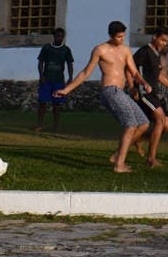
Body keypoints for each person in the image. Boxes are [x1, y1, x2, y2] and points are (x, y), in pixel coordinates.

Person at [56, 21, 154, 173]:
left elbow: (134, 72)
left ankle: (117, 155)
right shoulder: (100, 50)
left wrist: (144, 83)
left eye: (123, 36)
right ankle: (119, 165)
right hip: (110, 90)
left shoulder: (126, 50)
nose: (121, 40)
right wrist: (67, 90)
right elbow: (85, 73)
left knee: (143, 123)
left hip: (120, 92)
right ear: (111, 35)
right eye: (118, 37)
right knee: (131, 124)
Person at [128, 30, 168, 167]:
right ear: (154, 37)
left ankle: (139, 139)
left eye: (166, 41)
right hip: (143, 92)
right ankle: (151, 159)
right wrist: (132, 87)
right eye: (162, 40)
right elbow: (130, 70)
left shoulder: (156, 53)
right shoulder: (144, 52)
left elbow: (158, 75)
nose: (164, 43)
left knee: (166, 125)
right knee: (160, 120)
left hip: (153, 93)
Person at [35, 27, 75, 132]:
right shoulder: (46, 48)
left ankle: (55, 125)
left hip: (59, 81)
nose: (59, 38)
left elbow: (69, 64)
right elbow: (40, 62)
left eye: (61, 36)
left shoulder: (66, 50)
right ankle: (39, 124)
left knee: (56, 104)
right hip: (46, 79)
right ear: (54, 36)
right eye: (57, 36)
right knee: (42, 102)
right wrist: (41, 76)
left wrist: (70, 77)